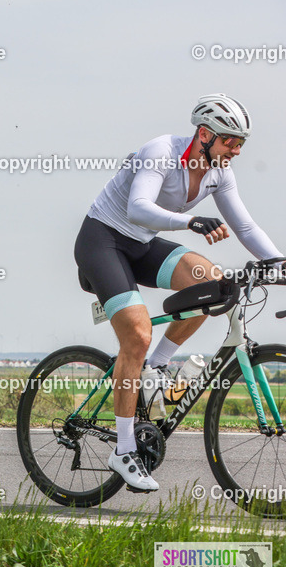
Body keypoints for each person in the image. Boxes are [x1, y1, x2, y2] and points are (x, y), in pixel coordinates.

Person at [74, 94, 281, 492]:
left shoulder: (220, 171)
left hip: (143, 244)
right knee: (136, 333)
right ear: (204, 134)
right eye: (230, 141)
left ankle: (157, 368)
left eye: (241, 144)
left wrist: (278, 263)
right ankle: (123, 448)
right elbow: (137, 209)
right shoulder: (161, 152)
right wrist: (192, 221)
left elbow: (246, 228)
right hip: (103, 240)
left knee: (213, 286)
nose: (236, 150)